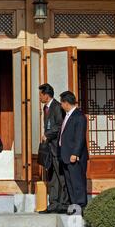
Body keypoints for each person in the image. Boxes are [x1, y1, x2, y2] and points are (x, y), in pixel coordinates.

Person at [38, 84, 70, 214]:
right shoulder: (46, 107)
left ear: (46, 95)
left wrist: (47, 134)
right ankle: (53, 204)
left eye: (40, 94)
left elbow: (59, 126)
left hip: (57, 147)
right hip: (49, 148)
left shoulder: (57, 107)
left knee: (61, 176)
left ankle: (64, 204)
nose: (39, 97)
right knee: (52, 177)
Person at [58, 91, 88, 214]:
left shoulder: (79, 116)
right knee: (70, 182)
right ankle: (74, 205)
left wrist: (75, 154)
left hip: (73, 156)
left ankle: (80, 205)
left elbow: (80, 137)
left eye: (61, 102)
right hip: (65, 154)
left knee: (77, 182)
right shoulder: (67, 115)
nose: (61, 105)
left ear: (66, 103)